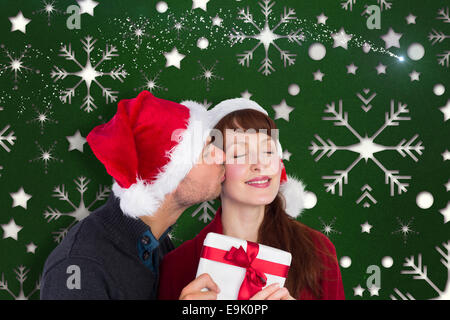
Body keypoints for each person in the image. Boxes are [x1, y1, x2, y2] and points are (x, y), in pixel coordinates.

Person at [40, 90, 223, 299]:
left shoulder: (156, 244)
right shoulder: (80, 265)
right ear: (170, 177)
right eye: (207, 151)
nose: (222, 156)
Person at [158, 98, 345, 300]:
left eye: (268, 151)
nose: (259, 164)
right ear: (217, 167)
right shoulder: (178, 265)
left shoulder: (317, 249)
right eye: (240, 154)